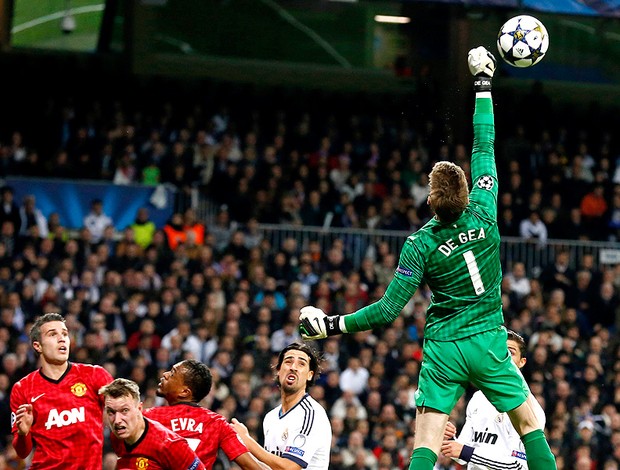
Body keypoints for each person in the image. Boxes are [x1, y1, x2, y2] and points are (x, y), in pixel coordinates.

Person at [298, 47, 556, 470]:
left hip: (444, 345)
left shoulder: (420, 244)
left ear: (431, 201)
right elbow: (484, 143)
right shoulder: (485, 211)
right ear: (467, 193)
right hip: (489, 337)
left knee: (428, 441)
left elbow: (387, 311)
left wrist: (331, 325)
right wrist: (483, 82)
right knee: (530, 425)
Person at [10, 312, 113, 469]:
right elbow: (22, 452)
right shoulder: (22, 389)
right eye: (52, 334)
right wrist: (23, 434)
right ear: (38, 346)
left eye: (65, 333)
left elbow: (124, 412)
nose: (62, 338)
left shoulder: (94, 375)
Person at [441, 330, 546, 468]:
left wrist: (466, 452)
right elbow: (463, 455)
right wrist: (450, 439)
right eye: (500, 349)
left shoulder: (529, 407)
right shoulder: (478, 398)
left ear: (522, 362)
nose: (504, 355)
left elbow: (517, 465)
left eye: (511, 352)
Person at [144, 359, 264, 469]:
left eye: (172, 373)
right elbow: (252, 466)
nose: (165, 374)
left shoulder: (149, 417)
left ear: (185, 392)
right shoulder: (217, 423)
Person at [231, 341, 332, 469]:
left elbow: (289, 468)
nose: (293, 367)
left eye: (301, 364)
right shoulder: (270, 417)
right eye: (288, 361)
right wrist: (235, 446)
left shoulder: (311, 414)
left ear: (309, 375)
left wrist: (248, 441)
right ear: (278, 370)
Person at [99, 377, 205, 470]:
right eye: (111, 412)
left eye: (125, 410)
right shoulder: (118, 435)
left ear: (139, 409)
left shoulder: (169, 445)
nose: (117, 420)